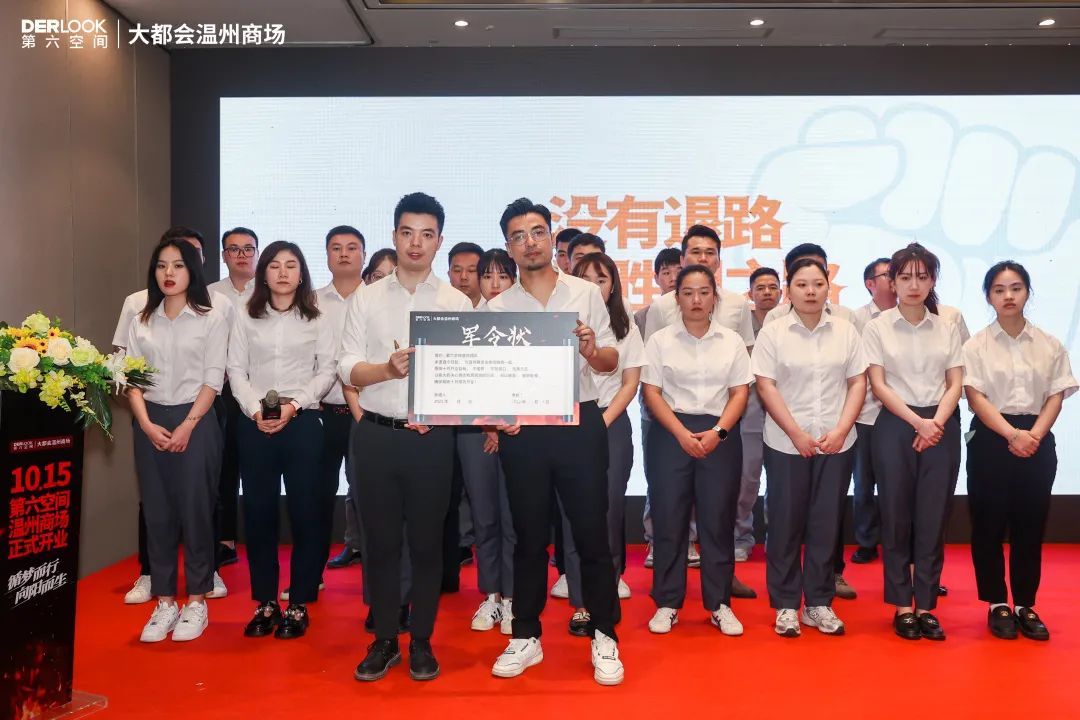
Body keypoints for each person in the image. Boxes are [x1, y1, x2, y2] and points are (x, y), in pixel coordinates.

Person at [487, 198, 623, 687]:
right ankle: (525, 634)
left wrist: (591, 349)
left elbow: (610, 360)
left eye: (538, 232)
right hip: (523, 431)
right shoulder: (497, 307)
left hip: (579, 422)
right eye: (519, 236)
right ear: (509, 247)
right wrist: (496, 417)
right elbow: (491, 379)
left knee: (591, 535)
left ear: (551, 237)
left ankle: (604, 634)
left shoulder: (584, 293)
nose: (530, 242)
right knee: (527, 537)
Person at [342, 193, 472, 682]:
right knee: (379, 543)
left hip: (431, 440)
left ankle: (421, 640)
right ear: (394, 235)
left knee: (426, 543)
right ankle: (383, 640)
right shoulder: (367, 297)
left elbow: (468, 376)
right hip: (377, 435)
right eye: (407, 232)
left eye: (426, 234)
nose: (416, 243)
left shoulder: (456, 303)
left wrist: (440, 412)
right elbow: (346, 365)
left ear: (439, 241)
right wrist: (386, 370)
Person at [112, 226, 231, 605]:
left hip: (196, 418)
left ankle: (196, 598)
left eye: (178, 265)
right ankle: (164, 599)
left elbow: (213, 380)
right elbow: (131, 379)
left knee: (196, 510)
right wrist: (146, 424)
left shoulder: (211, 318)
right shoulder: (141, 320)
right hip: (150, 418)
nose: (169, 272)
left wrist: (188, 425)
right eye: (162, 265)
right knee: (157, 511)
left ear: (192, 270)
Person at [752, 259, 867, 638]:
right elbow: (765, 385)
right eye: (802, 284)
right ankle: (786, 604)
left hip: (837, 441)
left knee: (825, 523)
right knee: (784, 523)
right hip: (786, 442)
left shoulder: (846, 331)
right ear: (789, 290)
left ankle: (818, 602)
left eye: (818, 283)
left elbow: (858, 382)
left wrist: (842, 429)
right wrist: (796, 433)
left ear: (828, 287)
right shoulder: (774, 332)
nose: (811, 291)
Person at [228, 241, 336, 640]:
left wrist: (294, 405)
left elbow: (327, 371)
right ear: (264, 273)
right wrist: (255, 409)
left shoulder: (317, 318)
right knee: (259, 513)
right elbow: (235, 370)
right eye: (275, 265)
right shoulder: (246, 316)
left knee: (306, 512)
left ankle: (299, 603)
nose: (283, 272)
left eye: (291, 265)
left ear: (302, 273)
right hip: (255, 422)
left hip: (303, 421)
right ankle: (266, 602)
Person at [642, 224, 757, 598]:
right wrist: (679, 433)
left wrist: (719, 432)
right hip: (670, 429)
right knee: (669, 517)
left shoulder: (732, 337)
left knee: (718, 518)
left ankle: (719, 599)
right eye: (688, 293)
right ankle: (667, 599)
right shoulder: (661, 335)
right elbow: (651, 389)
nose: (696, 300)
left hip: (720, 430)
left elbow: (740, 390)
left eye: (704, 293)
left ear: (714, 297)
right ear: (676, 297)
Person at [963, 261, 1076, 641]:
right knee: (988, 523)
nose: (1008, 296)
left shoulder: (1049, 343)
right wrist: (1012, 434)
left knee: (1031, 524)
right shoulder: (976, 345)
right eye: (999, 290)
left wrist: (1034, 435)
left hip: (1037, 439)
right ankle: (997, 603)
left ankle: (1026, 604)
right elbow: (975, 397)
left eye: (1016, 288)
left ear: (1027, 292)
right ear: (988, 296)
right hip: (991, 438)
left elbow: (1056, 394)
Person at [863, 243, 963, 641]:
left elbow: (955, 382)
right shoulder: (878, 327)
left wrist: (934, 422)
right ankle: (902, 605)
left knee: (933, 516)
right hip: (895, 423)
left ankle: (926, 606)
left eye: (922, 277)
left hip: (940, 423)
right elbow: (878, 384)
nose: (914, 285)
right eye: (905, 277)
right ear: (892, 282)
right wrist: (917, 423)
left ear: (933, 280)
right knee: (896, 514)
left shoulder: (947, 327)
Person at [553, 252, 646, 635]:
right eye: (586, 278)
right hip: (568, 423)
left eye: (602, 278)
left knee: (608, 510)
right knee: (572, 514)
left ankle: (607, 590)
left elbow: (630, 382)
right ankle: (581, 601)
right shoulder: (561, 320)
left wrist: (601, 422)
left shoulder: (625, 325)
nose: (594, 285)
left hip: (610, 422)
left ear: (613, 284)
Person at [460, 249, 518, 634]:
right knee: (483, 515)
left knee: (514, 517)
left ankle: (513, 597)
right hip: (473, 432)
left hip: (518, 432)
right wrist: (486, 424)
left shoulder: (527, 322)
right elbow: (460, 382)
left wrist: (501, 423)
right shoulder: (466, 324)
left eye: (502, 276)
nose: (494, 284)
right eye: (487, 276)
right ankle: (491, 595)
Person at [207, 227, 259, 572]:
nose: (241, 255)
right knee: (224, 465)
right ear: (224, 256)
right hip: (222, 388)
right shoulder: (209, 294)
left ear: (257, 253)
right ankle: (225, 539)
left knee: (257, 464)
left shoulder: (269, 290)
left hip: (262, 389)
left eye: (248, 248)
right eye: (234, 249)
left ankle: (258, 536)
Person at [317, 226, 366, 573]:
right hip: (323, 411)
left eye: (352, 247)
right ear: (327, 255)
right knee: (318, 493)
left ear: (364, 254)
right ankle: (313, 571)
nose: (344, 254)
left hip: (367, 411)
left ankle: (366, 553)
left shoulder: (376, 298)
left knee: (367, 490)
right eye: (336, 248)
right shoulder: (311, 301)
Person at [848, 258, 894, 565]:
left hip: (900, 414)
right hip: (865, 413)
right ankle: (866, 541)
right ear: (870, 283)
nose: (895, 280)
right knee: (864, 483)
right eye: (888, 275)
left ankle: (896, 542)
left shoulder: (911, 314)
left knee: (897, 483)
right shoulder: (856, 319)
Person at [735, 266, 782, 562]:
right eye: (760, 288)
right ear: (750, 294)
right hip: (750, 406)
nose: (767, 292)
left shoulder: (788, 324)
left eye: (773, 287)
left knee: (783, 479)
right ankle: (740, 537)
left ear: (781, 293)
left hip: (783, 407)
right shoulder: (741, 324)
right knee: (747, 477)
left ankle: (779, 539)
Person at [634, 248, 681, 336]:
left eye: (679, 272)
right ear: (656, 278)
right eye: (666, 273)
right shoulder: (641, 317)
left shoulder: (695, 309)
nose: (674, 278)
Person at [448, 242, 484, 308]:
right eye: (457, 270)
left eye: (471, 270)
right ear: (449, 275)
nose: (463, 277)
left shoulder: (493, 308)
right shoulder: (438, 308)